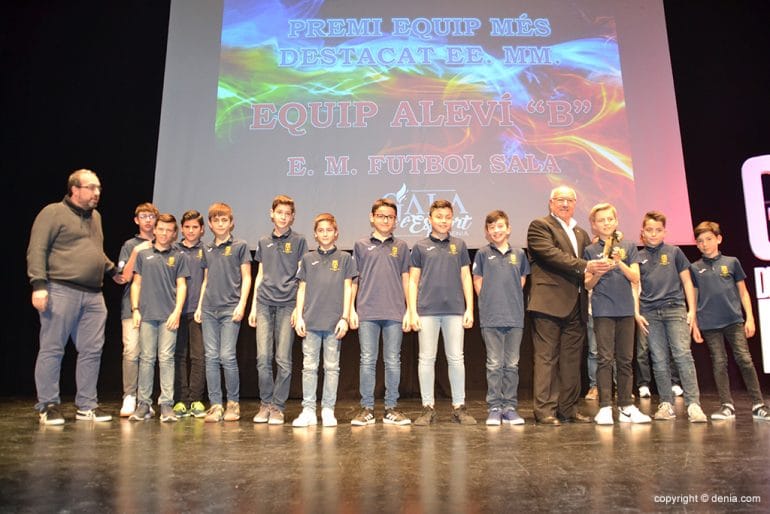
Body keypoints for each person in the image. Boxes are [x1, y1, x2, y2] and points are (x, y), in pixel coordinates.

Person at [27, 169, 123, 425]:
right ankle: (48, 405)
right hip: (60, 288)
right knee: (53, 348)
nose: (97, 193)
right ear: (75, 189)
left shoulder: (96, 217)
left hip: (93, 294)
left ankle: (86, 405)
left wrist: (112, 269)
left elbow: (94, 250)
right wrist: (38, 284)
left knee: (92, 351)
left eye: (99, 188)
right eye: (92, 188)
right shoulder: (53, 212)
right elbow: (37, 249)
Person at [526, 185, 611, 425]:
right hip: (548, 303)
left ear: (575, 204)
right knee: (546, 359)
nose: (565, 204)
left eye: (570, 200)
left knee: (572, 360)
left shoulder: (582, 233)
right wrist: (586, 266)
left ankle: (568, 409)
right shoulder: (539, 226)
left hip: (577, 303)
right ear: (551, 203)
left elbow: (588, 264)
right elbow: (550, 254)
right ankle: (544, 411)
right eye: (560, 200)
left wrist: (599, 266)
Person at [690, 221, 770, 421]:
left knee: (744, 359)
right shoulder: (694, 268)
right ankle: (727, 405)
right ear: (696, 244)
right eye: (700, 241)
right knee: (719, 362)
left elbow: (743, 292)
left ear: (718, 239)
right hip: (709, 324)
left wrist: (750, 318)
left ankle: (758, 404)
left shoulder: (731, 262)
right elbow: (693, 297)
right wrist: (695, 324)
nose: (705, 244)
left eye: (709, 239)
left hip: (733, 320)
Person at [634, 211, 707, 422]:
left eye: (658, 230)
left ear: (665, 232)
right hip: (650, 313)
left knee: (683, 355)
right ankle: (666, 404)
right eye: (649, 230)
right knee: (658, 359)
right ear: (642, 232)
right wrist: (637, 312)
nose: (654, 234)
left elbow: (687, 282)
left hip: (675, 309)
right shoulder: (638, 257)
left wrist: (691, 311)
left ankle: (694, 405)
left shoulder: (674, 252)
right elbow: (636, 286)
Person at [409, 199, 476, 426]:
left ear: (452, 219)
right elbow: (413, 280)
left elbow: (466, 276)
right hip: (426, 311)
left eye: (447, 217)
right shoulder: (419, 246)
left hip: (455, 311)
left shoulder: (460, 244)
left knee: (456, 358)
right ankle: (428, 408)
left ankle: (459, 407)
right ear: (430, 219)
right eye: (439, 217)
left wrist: (470, 308)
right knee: (426, 359)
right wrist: (412, 310)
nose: (443, 221)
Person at [583, 203, 650, 425]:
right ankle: (604, 407)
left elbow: (635, 277)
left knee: (625, 359)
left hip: (625, 309)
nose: (606, 223)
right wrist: (599, 271)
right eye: (601, 220)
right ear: (594, 225)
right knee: (604, 359)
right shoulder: (590, 251)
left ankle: (626, 406)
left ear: (616, 220)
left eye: (609, 219)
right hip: (602, 310)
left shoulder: (629, 247)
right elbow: (587, 284)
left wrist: (618, 262)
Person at [349, 198, 411, 426]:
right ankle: (367, 408)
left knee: (393, 360)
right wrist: (351, 310)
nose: (386, 220)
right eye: (382, 216)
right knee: (367, 360)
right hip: (367, 311)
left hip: (395, 311)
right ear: (372, 217)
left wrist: (410, 310)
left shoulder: (402, 247)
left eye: (390, 217)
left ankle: (391, 408)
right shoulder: (361, 245)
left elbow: (406, 279)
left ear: (395, 221)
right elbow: (353, 280)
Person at [292, 213, 357, 427]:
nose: (325, 234)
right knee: (309, 367)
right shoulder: (307, 259)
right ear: (315, 234)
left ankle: (328, 409)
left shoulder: (345, 258)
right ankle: (308, 410)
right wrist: (299, 315)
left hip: (333, 323)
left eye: (329, 230)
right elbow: (302, 288)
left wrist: (345, 317)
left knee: (332, 367)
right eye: (321, 230)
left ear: (336, 233)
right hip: (310, 322)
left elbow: (348, 288)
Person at [248, 195, 307, 425]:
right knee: (263, 358)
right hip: (264, 302)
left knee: (283, 358)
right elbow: (260, 274)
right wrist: (253, 305)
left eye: (287, 213)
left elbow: (303, 276)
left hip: (287, 304)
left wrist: (298, 309)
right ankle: (265, 403)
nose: (283, 216)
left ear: (292, 217)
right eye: (279, 212)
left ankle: (277, 406)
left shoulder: (300, 241)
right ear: (271, 214)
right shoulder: (263, 241)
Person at [194, 203, 252, 423]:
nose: (220, 224)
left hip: (230, 308)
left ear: (231, 222)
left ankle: (233, 403)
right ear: (209, 224)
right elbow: (206, 280)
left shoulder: (240, 246)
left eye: (224, 220)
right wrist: (200, 306)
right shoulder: (206, 249)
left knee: (227, 356)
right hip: (209, 308)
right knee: (211, 357)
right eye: (216, 220)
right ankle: (216, 404)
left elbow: (247, 277)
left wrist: (242, 305)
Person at [128, 214, 189, 422]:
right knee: (146, 358)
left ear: (174, 233)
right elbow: (136, 283)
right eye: (161, 229)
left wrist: (177, 311)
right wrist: (135, 309)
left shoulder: (179, 255)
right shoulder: (143, 254)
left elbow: (182, 286)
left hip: (169, 316)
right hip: (146, 315)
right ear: (154, 230)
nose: (164, 233)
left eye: (169, 230)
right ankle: (143, 404)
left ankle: (166, 405)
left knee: (166, 358)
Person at [472, 210, 530, 426]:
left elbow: (522, 280)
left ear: (508, 228)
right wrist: (490, 301)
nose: (496, 230)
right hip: (491, 317)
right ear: (487, 232)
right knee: (494, 364)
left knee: (512, 365)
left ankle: (510, 407)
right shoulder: (482, 254)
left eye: (500, 226)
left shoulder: (519, 254)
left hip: (514, 317)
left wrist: (509, 300)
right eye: (492, 227)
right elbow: (478, 281)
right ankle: (495, 407)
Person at [117, 202, 159, 417]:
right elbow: (123, 277)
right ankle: (129, 395)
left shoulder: (164, 242)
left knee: (149, 355)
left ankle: (145, 399)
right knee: (132, 351)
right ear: (136, 220)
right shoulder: (129, 245)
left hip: (156, 308)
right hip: (131, 307)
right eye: (143, 216)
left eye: (151, 216)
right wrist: (136, 252)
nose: (148, 220)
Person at [172, 210, 208, 418]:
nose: (191, 230)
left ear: (202, 229)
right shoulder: (174, 250)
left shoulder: (206, 250)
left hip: (197, 309)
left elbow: (207, 279)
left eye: (195, 227)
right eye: (187, 227)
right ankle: (180, 400)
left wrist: (202, 306)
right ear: (181, 229)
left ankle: (195, 399)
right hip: (176, 310)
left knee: (198, 356)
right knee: (177, 355)